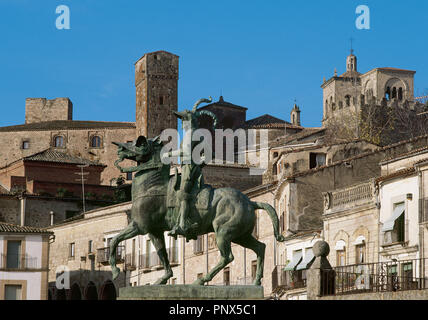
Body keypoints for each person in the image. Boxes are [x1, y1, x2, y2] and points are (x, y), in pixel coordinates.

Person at [167, 97, 217, 240]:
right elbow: (210, 154)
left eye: (183, 121)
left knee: (183, 194)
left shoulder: (191, 135)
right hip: (191, 166)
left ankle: (182, 224)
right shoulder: (197, 134)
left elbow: (185, 152)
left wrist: (168, 153)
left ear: (188, 121)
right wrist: (200, 163)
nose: (181, 124)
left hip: (189, 167)